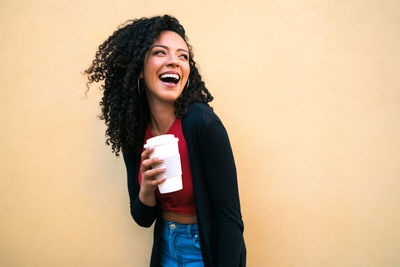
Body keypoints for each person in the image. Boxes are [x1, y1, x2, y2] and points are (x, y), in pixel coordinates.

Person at [84, 15, 246, 267]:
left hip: (204, 251)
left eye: (183, 56)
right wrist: (147, 189)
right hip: (165, 249)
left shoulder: (202, 124)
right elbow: (142, 217)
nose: (174, 61)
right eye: (160, 52)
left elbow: (230, 220)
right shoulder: (134, 130)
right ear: (139, 68)